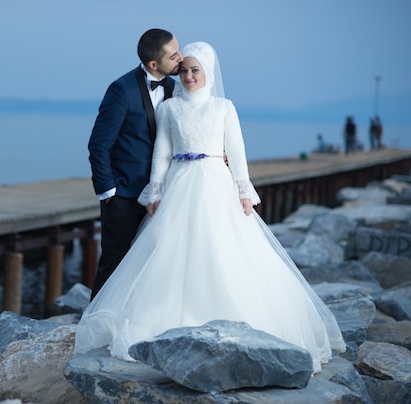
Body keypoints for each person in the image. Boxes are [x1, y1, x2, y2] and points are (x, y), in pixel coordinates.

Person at [75, 41, 346, 374]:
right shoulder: (169, 107)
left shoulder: (223, 107)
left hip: (215, 182)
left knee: (219, 245)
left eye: (194, 70)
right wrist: (155, 189)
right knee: (168, 249)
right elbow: (161, 151)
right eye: (184, 68)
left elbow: (237, 149)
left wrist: (244, 189)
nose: (188, 75)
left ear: (208, 73)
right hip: (178, 183)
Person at [87, 29, 183, 299]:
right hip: (125, 195)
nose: (181, 58)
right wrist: (108, 192)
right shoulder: (121, 90)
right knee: (115, 263)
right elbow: (99, 144)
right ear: (154, 64)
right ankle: (93, 325)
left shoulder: (175, 88)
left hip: (163, 194)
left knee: (154, 262)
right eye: (173, 54)